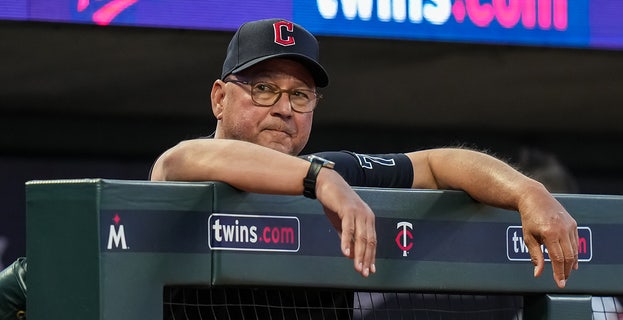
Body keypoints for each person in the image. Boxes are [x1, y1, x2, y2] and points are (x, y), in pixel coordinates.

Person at [150, 18, 579, 289]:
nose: (284, 108)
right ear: (219, 98)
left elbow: (436, 163)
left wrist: (528, 192)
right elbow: (186, 158)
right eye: (263, 88)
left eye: (301, 95)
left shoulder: (332, 171)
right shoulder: (187, 171)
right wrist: (321, 180)